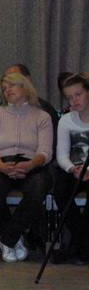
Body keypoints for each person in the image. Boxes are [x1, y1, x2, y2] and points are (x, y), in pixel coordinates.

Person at [0, 72, 53, 262]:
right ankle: (15, 239)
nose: (7, 91)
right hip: (1, 163)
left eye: (11, 86)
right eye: (4, 89)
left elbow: (46, 151)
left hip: (31, 164)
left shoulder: (42, 116)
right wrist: (1, 166)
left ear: (24, 86)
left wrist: (30, 165)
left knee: (39, 187)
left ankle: (7, 239)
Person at [53, 73, 89, 264]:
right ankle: (83, 245)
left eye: (78, 94)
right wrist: (72, 169)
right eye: (70, 97)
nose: (74, 100)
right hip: (74, 169)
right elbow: (62, 154)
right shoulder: (66, 121)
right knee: (61, 191)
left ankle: (77, 247)